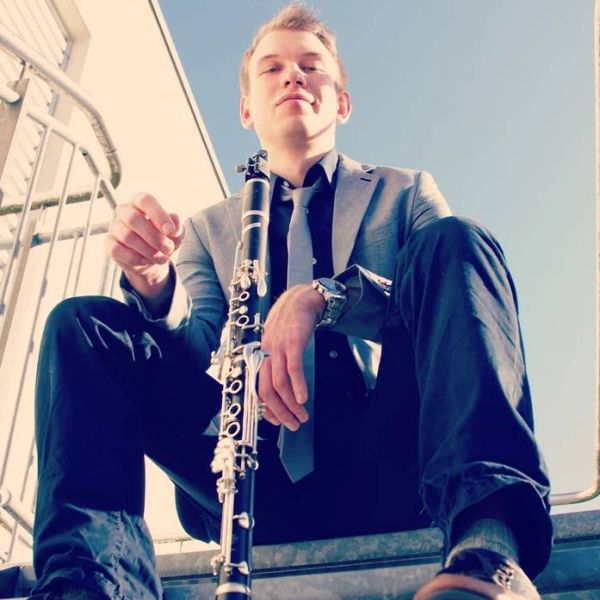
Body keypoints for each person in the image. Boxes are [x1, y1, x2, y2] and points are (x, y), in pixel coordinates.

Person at [30, 3, 552, 599]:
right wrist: (155, 284)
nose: (293, 77)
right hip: (254, 480)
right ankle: (89, 585)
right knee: (84, 325)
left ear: (342, 102)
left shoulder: (407, 191)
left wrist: (323, 298)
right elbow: (201, 347)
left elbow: (442, 304)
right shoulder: (207, 229)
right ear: (247, 108)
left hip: (390, 464)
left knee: (458, 241)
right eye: (272, 68)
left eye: (311, 65)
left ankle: (489, 547)